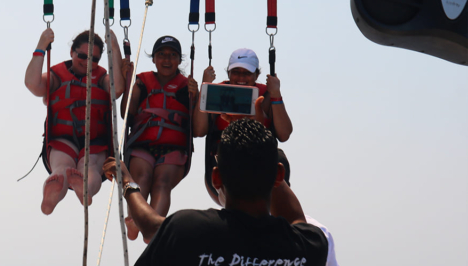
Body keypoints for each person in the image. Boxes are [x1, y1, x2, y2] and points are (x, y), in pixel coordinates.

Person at [105, 119, 327, 266]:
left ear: (216, 178)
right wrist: (258, 134)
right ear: (280, 175)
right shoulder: (310, 247)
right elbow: (295, 217)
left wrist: (127, 182)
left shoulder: (184, 231)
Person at [25, 28, 124, 215]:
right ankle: (51, 196)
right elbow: (32, 84)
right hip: (63, 138)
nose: (88, 63)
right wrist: (41, 47)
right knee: (62, 166)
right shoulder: (56, 76)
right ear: (72, 52)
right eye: (82, 56)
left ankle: (85, 190)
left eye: (94, 59)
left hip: (94, 141)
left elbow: (117, 89)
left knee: (90, 165)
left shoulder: (102, 78)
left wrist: (115, 49)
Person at [120, 35, 198, 242]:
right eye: (161, 55)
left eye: (172, 55)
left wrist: (197, 95)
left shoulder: (186, 87)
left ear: (179, 60)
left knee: (162, 183)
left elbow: (197, 125)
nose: (166, 59)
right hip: (142, 144)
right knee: (143, 178)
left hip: (173, 148)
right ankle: (135, 220)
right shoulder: (142, 81)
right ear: (153, 58)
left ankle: (153, 229)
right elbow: (126, 113)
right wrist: (127, 81)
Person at [194, 48, 293, 205]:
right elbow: (199, 131)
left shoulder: (266, 96)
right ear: (228, 73)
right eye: (236, 72)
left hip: (259, 160)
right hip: (225, 159)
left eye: (247, 73)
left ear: (256, 76)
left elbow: (284, 134)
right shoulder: (217, 93)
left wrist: (276, 95)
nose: (241, 77)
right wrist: (205, 88)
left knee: (278, 157)